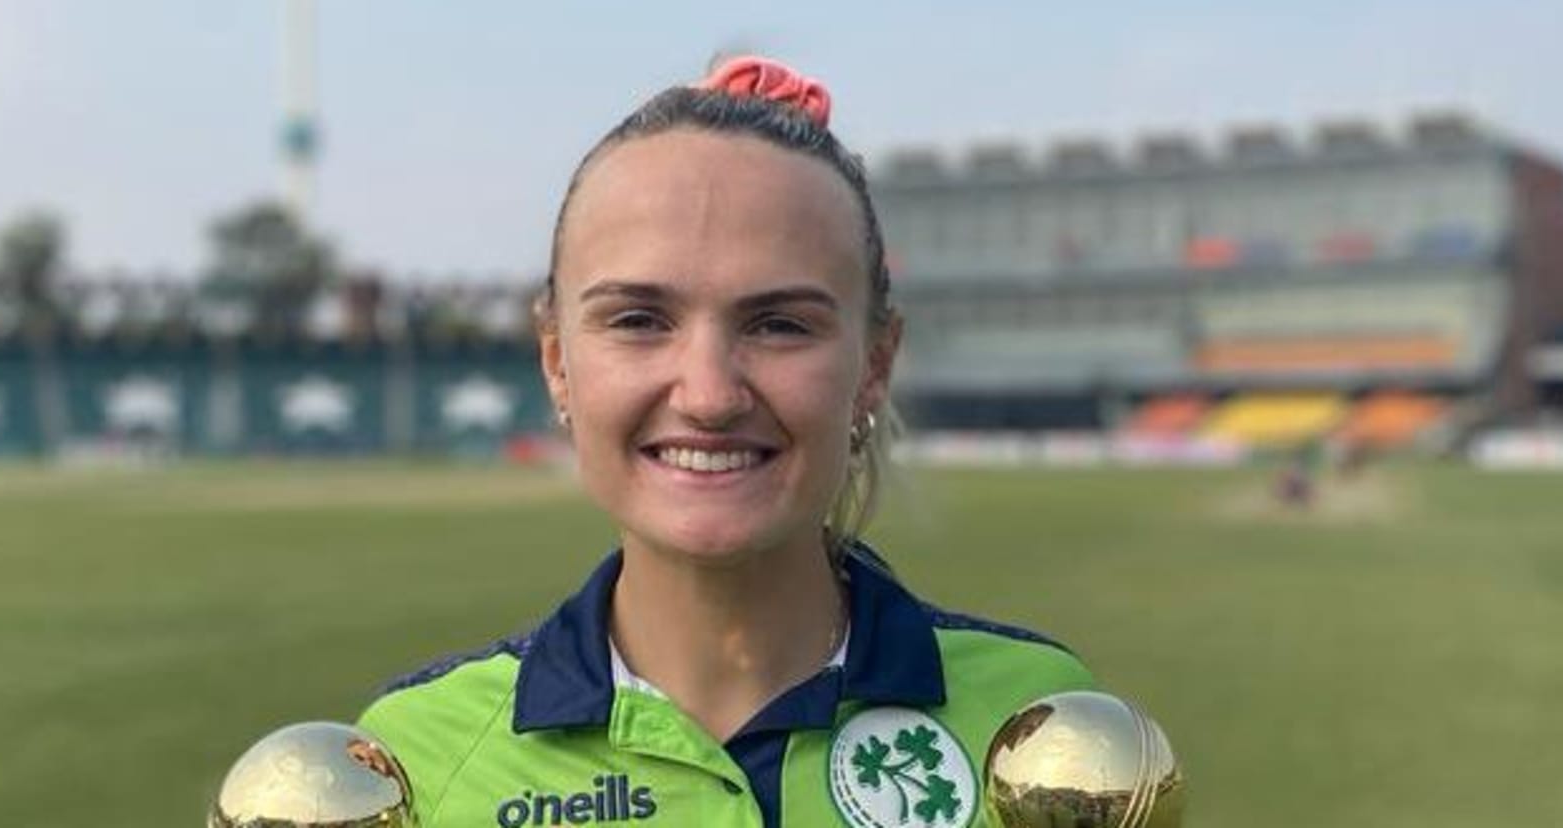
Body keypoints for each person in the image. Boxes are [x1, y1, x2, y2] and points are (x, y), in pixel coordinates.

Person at [358, 57, 1095, 828]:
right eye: (639, 320)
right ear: (557, 364)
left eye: (779, 325)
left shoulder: (1042, 734)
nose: (709, 396)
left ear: (874, 364)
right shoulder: (411, 767)